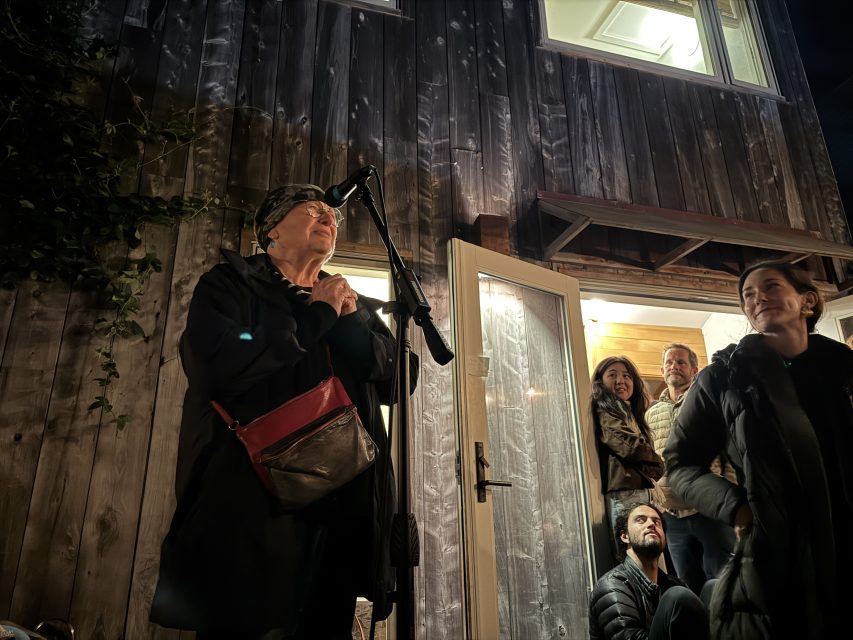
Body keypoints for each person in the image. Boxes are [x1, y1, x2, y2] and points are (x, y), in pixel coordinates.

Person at [150, 184, 417, 639]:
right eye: (311, 209)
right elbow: (218, 366)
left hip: (341, 513)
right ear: (271, 230)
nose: (328, 217)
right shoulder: (230, 285)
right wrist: (316, 317)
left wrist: (349, 322)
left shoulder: (344, 299)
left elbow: (399, 381)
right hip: (253, 512)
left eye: (332, 214)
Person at [664, 260, 853, 639]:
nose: (757, 298)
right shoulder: (723, 378)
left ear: (807, 301)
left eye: (770, 286)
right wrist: (737, 507)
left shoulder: (843, 368)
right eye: (748, 294)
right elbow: (680, 465)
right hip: (778, 550)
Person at [646, 344, 735, 594]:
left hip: (711, 511)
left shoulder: (707, 400)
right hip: (672, 518)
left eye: (681, 362)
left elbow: (728, 451)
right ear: (662, 370)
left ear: (694, 369)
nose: (674, 366)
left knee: (723, 585)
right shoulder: (652, 413)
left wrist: (727, 500)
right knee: (688, 588)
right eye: (669, 362)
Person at [588, 502, 709, 640]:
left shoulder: (673, 584)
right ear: (625, 536)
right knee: (677, 596)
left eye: (657, 522)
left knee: (713, 588)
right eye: (641, 520)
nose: (652, 524)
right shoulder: (612, 586)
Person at [590, 356, 665, 551]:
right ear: (601, 381)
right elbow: (630, 446)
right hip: (626, 493)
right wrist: (657, 463)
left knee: (648, 552)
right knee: (635, 554)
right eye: (612, 375)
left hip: (639, 490)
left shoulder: (629, 412)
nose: (620, 381)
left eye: (626, 376)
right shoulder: (605, 409)